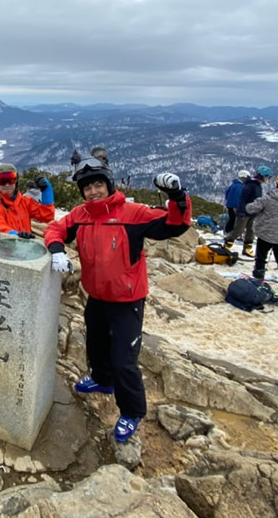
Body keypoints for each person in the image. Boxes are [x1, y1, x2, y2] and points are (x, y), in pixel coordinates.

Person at [44, 159, 192, 443]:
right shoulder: (81, 214)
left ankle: (132, 411)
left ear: (109, 185)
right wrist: (56, 249)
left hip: (127, 300)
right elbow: (56, 229)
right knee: (96, 344)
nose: (93, 191)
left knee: (125, 360)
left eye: (98, 184)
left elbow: (174, 225)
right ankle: (102, 380)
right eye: (87, 187)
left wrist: (176, 196)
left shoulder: (132, 213)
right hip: (96, 296)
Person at [0, 163, 55, 237]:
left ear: (16, 181)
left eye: (11, 179)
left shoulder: (25, 202)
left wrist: (47, 192)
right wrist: (16, 235)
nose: (7, 184)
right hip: (6, 246)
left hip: (25, 245)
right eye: (1, 180)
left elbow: (47, 216)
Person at [223, 166, 272, 256]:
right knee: (238, 231)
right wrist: (241, 211)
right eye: (268, 177)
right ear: (263, 176)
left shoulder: (256, 185)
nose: (268, 179)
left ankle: (247, 249)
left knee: (250, 231)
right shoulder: (251, 185)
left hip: (252, 212)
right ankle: (226, 246)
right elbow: (243, 198)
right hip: (244, 212)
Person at [223, 170, 250, 235]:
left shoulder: (234, 185)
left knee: (232, 219)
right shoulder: (240, 186)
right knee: (235, 220)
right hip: (235, 206)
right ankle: (231, 232)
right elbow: (237, 197)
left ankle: (228, 231)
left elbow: (227, 194)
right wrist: (236, 207)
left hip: (230, 205)